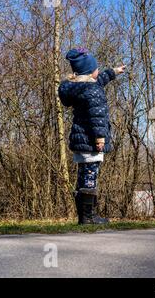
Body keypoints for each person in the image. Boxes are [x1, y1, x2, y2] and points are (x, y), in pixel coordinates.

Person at [58, 47, 125, 225]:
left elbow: (98, 81)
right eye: (96, 68)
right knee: (90, 177)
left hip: (80, 141)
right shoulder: (93, 91)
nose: (98, 70)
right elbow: (98, 117)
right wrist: (100, 138)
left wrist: (113, 72)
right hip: (91, 142)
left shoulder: (81, 87)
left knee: (82, 176)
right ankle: (89, 217)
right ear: (90, 71)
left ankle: (83, 216)